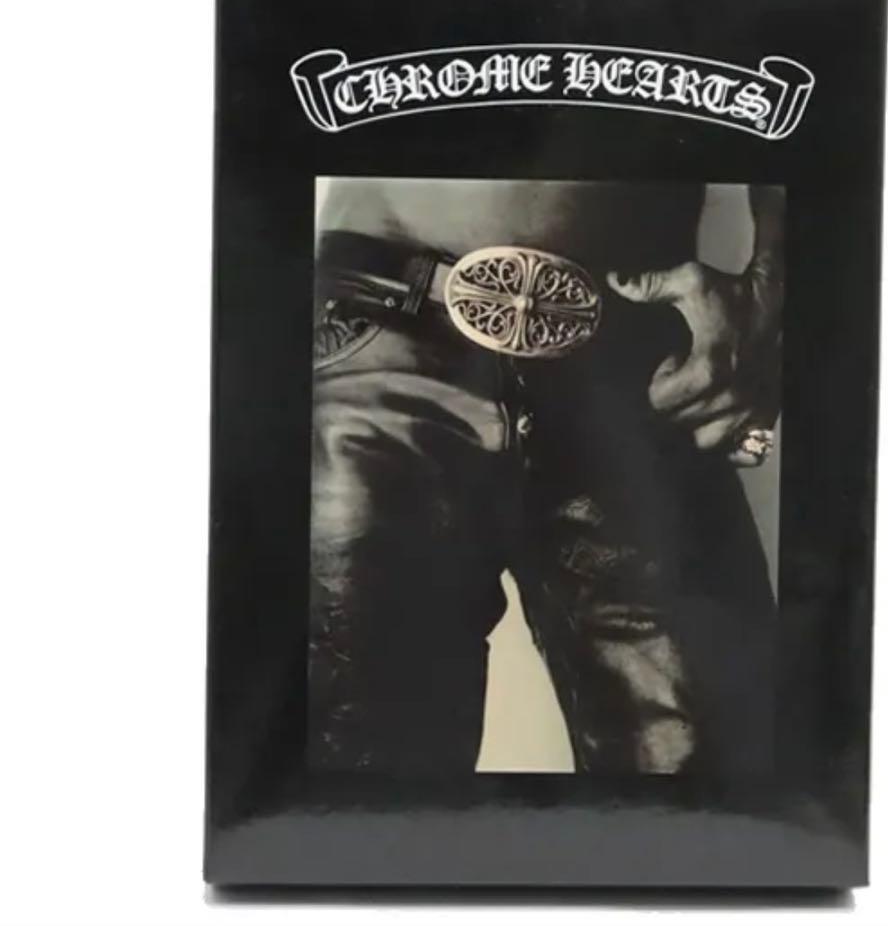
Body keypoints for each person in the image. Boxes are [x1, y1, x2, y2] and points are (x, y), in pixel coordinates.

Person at [308, 179, 783, 774]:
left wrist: (774, 290)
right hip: (380, 328)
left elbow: (820, 132)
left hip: (645, 364)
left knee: (717, 786)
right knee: (348, 784)